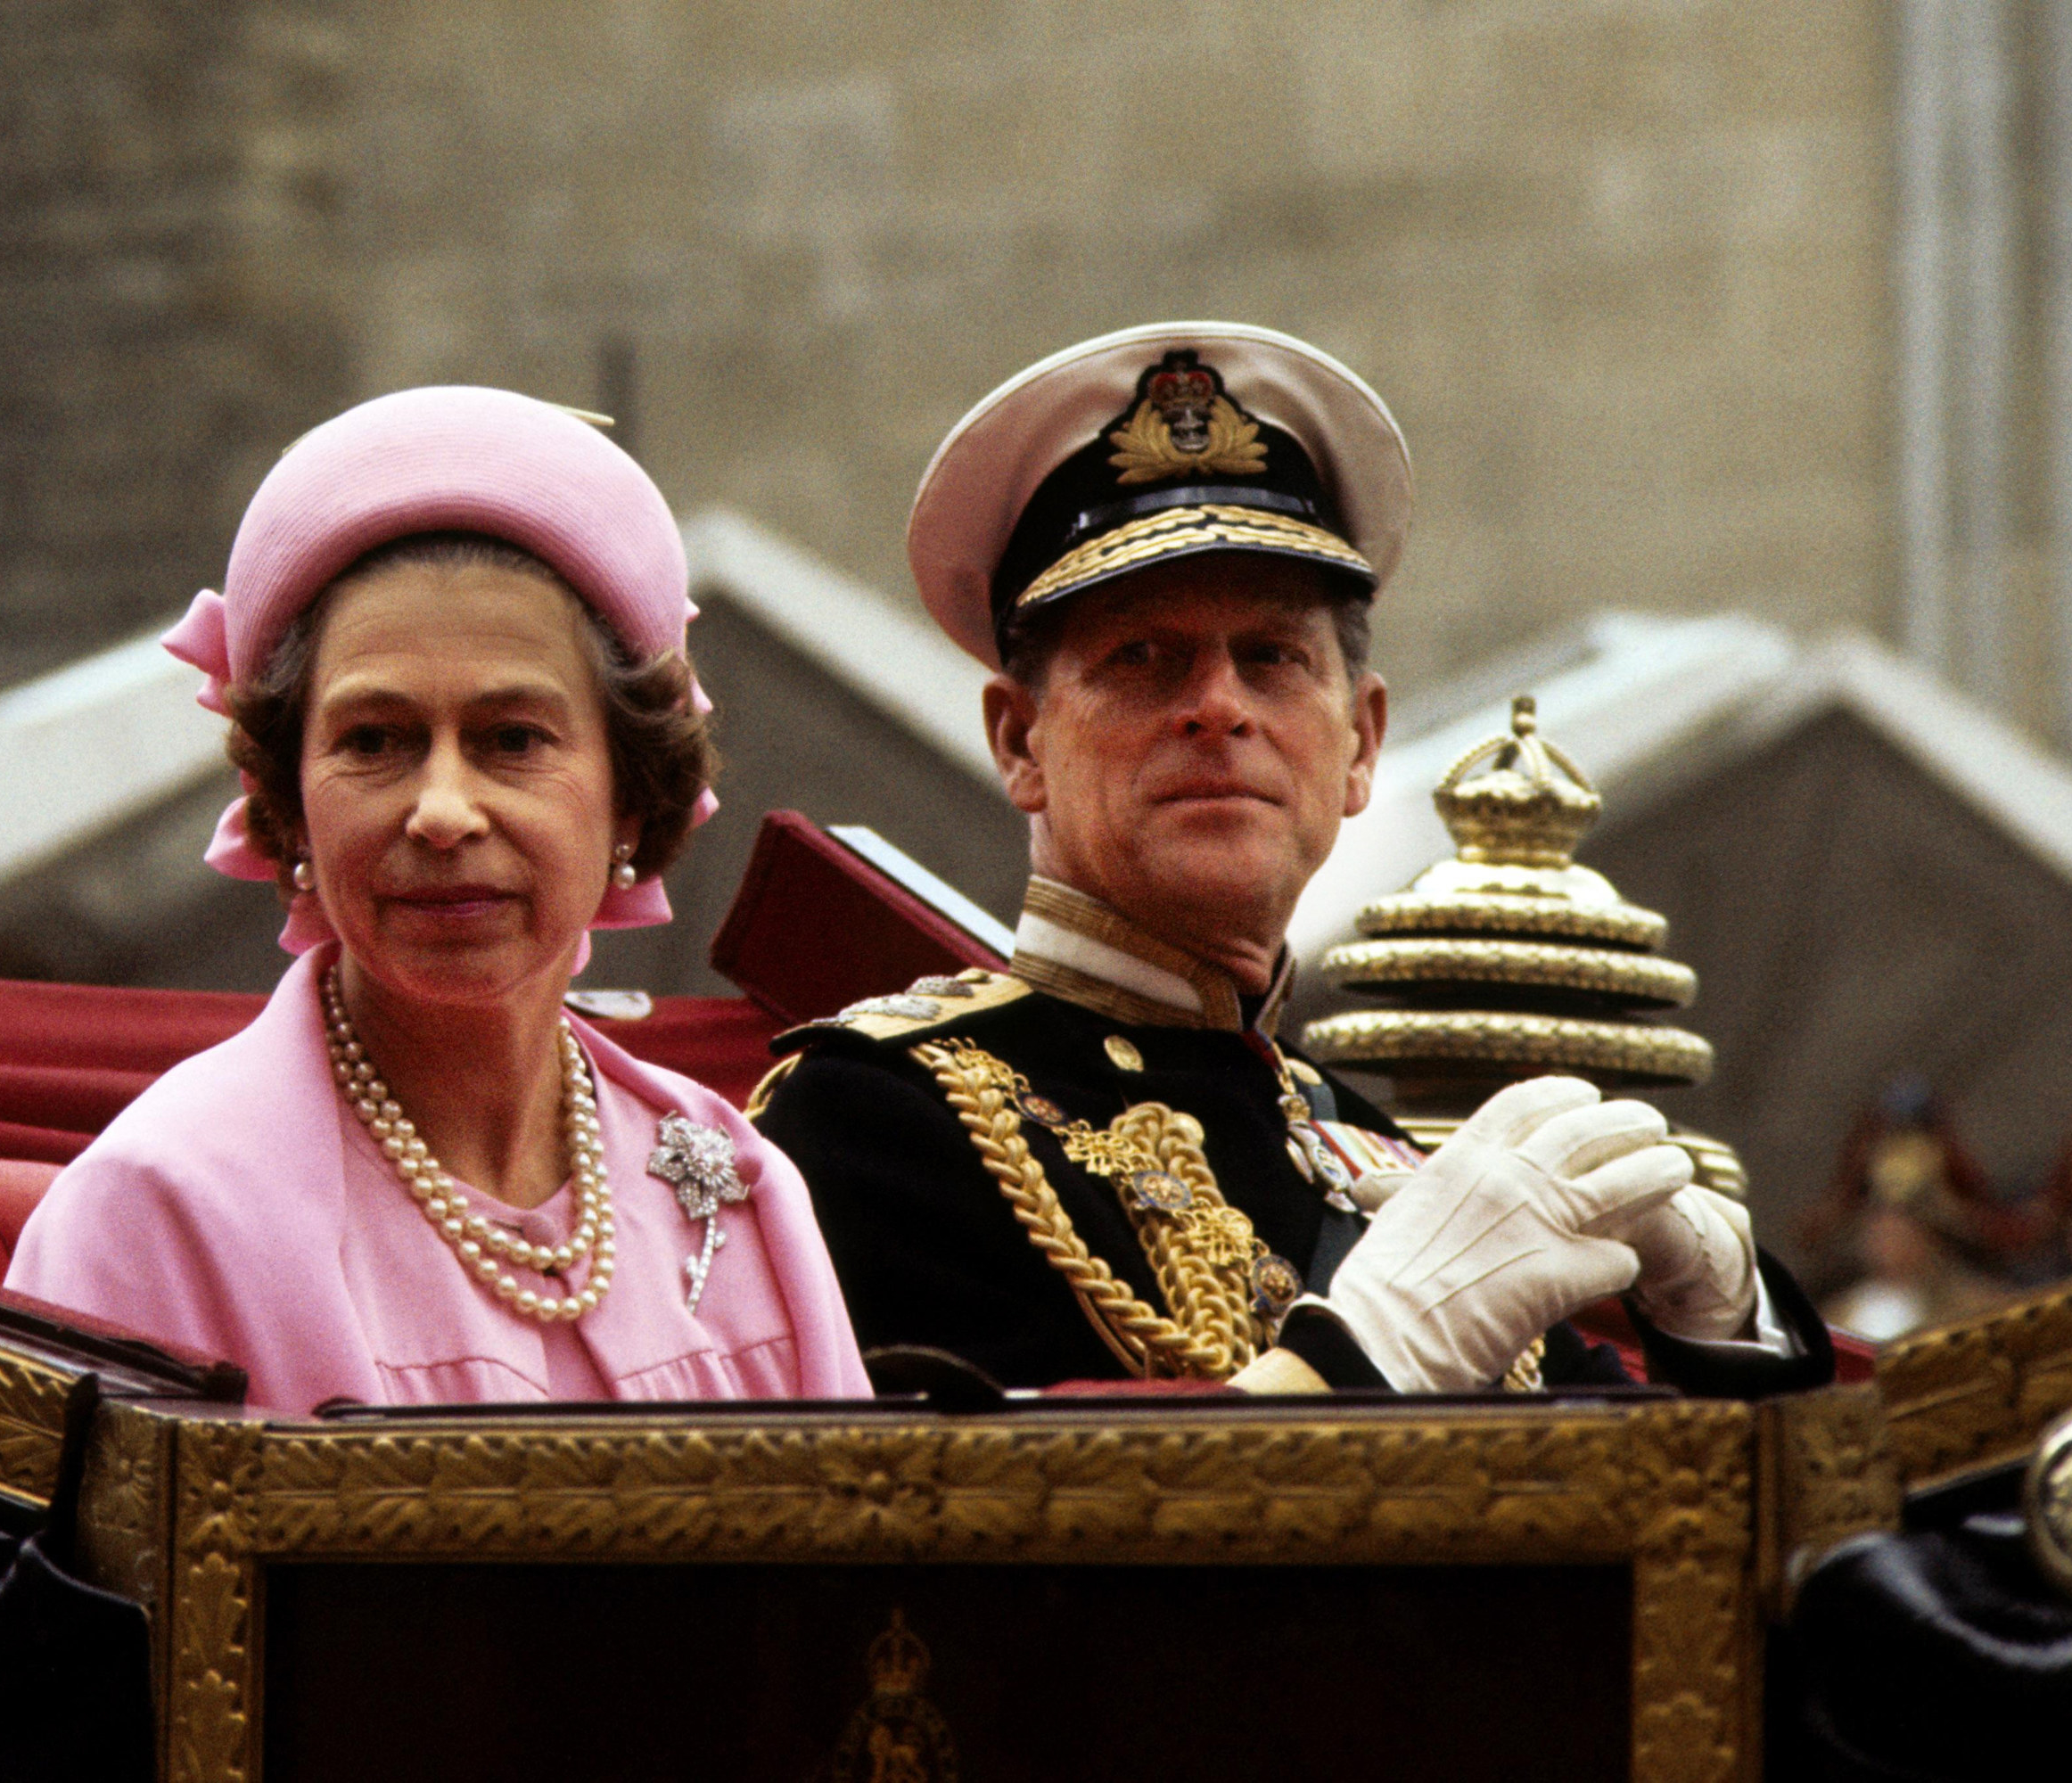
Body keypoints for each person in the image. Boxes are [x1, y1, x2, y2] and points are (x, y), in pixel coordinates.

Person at [752, 323, 1833, 1396]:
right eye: (1144, 658)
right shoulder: (879, 1117)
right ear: (1020, 740)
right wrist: (1358, 1364)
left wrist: (1728, 1313)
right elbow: (988, 1535)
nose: (1218, 707)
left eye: (1271, 657)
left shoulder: (1377, 1156)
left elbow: (1662, 1502)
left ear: (1360, 742)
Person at [7, 387, 869, 1412]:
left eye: (513, 739)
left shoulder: (739, 1185)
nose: (444, 810)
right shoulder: (160, 1208)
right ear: (286, 806)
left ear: (632, 800)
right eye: (374, 740)